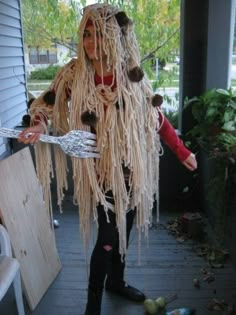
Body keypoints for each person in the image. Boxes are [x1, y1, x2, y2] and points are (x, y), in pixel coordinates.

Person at [18, 4, 197, 315]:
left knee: (123, 228)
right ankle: (92, 305)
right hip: (100, 174)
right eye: (86, 34)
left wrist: (180, 151)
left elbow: (156, 118)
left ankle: (117, 280)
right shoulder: (75, 74)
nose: (90, 42)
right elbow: (48, 102)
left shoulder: (131, 74)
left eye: (98, 35)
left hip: (131, 170)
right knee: (107, 237)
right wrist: (37, 124)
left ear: (115, 36)